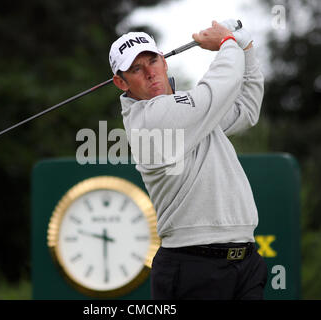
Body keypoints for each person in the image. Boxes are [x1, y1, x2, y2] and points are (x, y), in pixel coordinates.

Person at [109, 19, 267, 300]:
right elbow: (217, 89)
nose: (149, 73)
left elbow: (246, 109)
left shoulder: (191, 113)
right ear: (121, 82)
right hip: (193, 266)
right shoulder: (150, 119)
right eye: (136, 69)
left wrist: (247, 47)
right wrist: (228, 43)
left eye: (152, 61)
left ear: (164, 62)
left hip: (245, 261)